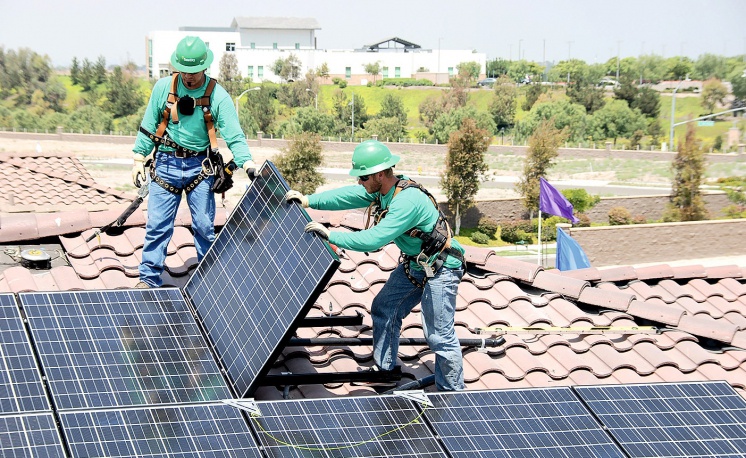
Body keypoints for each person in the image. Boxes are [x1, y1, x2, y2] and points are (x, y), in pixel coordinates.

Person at [285, 140, 465, 391]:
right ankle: (386, 369)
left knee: (439, 336)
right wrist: (308, 200)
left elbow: (375, 238)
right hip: (417, 265)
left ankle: (453, 394)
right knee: (384, 308)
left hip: (442, 267)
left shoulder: (406, 201)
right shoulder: (382, 190)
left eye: (363, 177)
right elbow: (347, 196)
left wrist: (331, 235)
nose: (360, 182)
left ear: (380, 174)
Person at [132, 36, 255, 288]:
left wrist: (247, 162)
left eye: (194, 71)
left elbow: (234, 134)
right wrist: (137, 157)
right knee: (157, 226)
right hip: (165, 164)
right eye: (184, 71)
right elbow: (148, 126)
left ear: (204, 67)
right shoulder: (163, 88)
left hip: (200, 167)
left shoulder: (217, 95)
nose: (188, 76)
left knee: (203, 226)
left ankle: (210, 280)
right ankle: (148, 279)